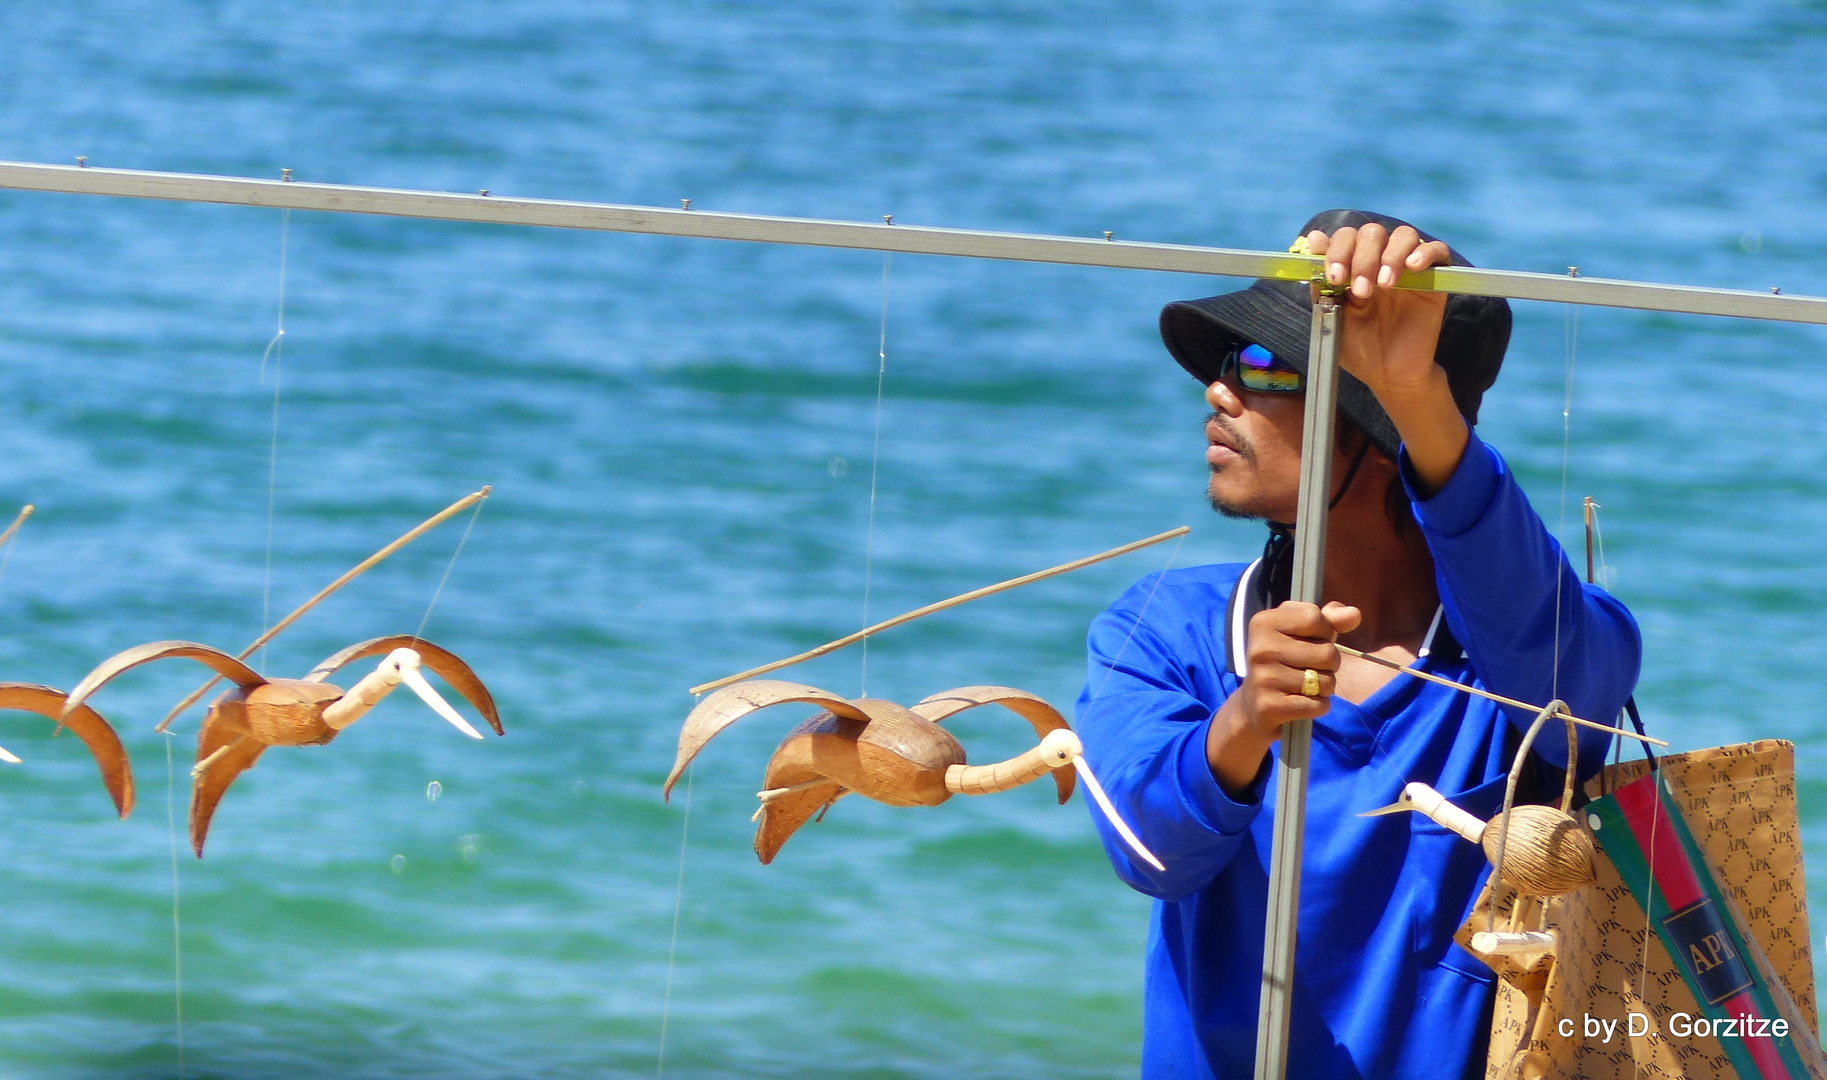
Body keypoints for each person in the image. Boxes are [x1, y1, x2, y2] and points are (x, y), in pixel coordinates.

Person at [1073, 209, 1641, 1080]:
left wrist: (1415, 393)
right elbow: (1148, 851)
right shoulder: (1168, 626)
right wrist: (1244, 721)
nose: (1217, 391)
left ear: (1380, 435)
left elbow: (1567, 681)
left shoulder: (1527, 652)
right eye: (1224, 362)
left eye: (1262, 365)